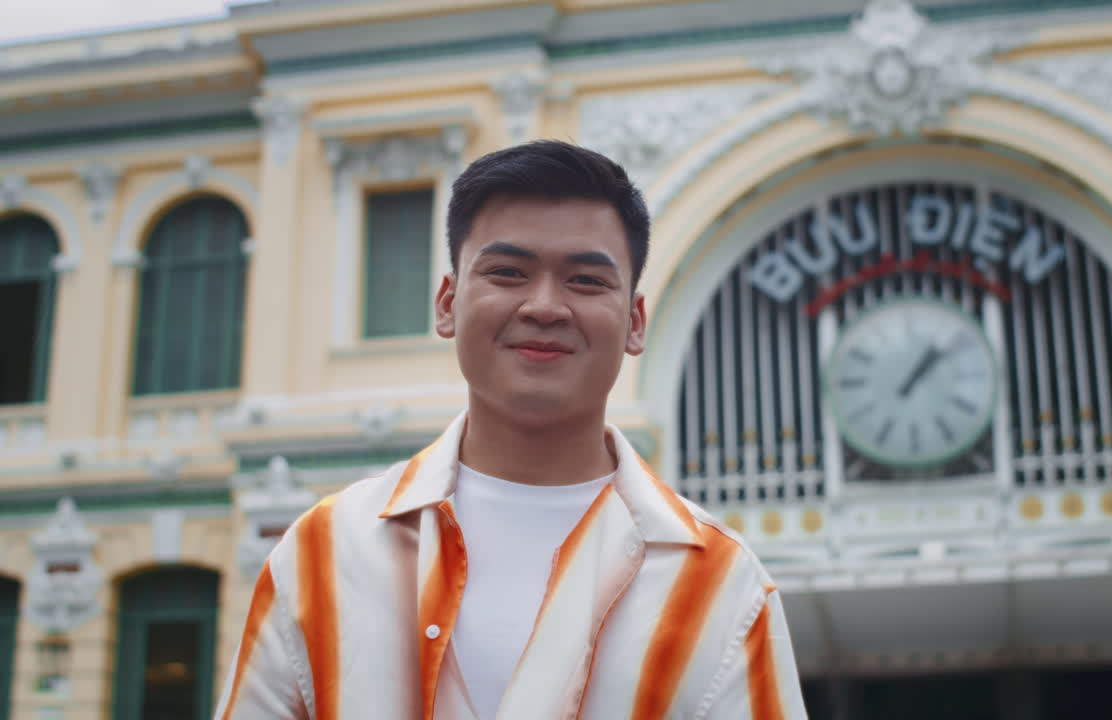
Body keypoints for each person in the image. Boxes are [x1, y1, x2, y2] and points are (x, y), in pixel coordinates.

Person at [214, 140, 807, 719]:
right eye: (508, 272)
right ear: (447, 303)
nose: (545, 306)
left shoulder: (721, 585)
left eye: (585, 281)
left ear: (635, 321)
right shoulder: (324, 552)